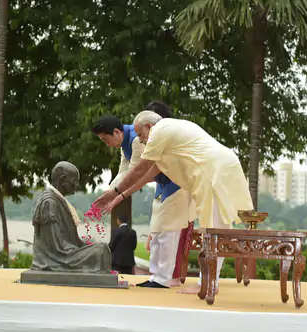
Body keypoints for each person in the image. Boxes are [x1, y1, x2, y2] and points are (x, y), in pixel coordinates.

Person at [94, 109, 253, 294]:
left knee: (214, 229)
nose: (141, 140)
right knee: (214, 229)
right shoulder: (166, 133)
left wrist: (115, 192)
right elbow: (149, 172)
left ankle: (207, 284)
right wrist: (118, 196)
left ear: (149, 126)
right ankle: (207, 282)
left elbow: (140, 169)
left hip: (214, 171)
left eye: (141, 135)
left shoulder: (161, 131)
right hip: (214, 170)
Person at [143, 100, 195, 287]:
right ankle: (155, 276)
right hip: (162, 188)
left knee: (169, 234)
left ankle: (164, 278)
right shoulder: (152, 138)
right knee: (157, 231)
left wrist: (123, 190)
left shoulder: (174, 136)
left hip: (178, 187)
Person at [31, 161, 111, 273]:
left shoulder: (58, 201)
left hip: (65, 253)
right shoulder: (49, 202)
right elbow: (56, 247)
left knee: (101, 248)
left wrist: (83, 247)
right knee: (101, 250)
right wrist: (81, 250)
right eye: (75, 181)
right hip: (57, 258)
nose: (77, 185)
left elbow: (68, 241)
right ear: (63, 180)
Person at [91, 115, 144, 189]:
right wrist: (109, 191)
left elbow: (133, 173)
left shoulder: (136, 139)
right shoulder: (124, 143)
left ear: (116, 132)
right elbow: (123, 172)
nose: (107, 145)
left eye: (106, 140)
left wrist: (112, 194)